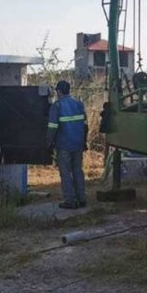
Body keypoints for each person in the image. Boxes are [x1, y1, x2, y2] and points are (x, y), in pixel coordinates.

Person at [46, 80, 88, 209]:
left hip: (64, 144)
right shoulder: (78, 104)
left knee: (65, 173)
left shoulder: (57, 106)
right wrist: (84, 142)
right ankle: (82, 198)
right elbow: (86, 126)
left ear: (58, 91)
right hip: (78, 144)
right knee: (77, 171)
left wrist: (48, 144)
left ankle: (70, 200)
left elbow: (52, 127)